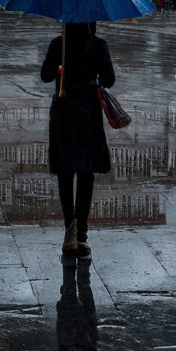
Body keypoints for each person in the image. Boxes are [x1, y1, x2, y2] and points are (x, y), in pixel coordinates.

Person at [40, 21, 116, 260]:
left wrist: (59, 67)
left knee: (65, 171)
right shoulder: (98, 45)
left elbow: (45, 76)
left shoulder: (58, 44)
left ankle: (69, 230)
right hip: (88, 115)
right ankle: (81, 233)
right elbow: (109, 79)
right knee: (85, 173)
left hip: (63, 114)